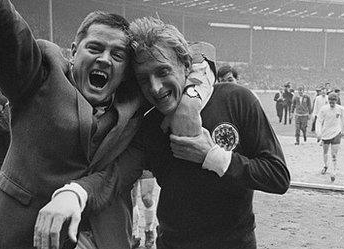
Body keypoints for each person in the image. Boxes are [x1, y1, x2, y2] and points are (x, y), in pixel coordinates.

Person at [40, 17, 290, 249]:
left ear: (186, 65)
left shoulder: (237, 100)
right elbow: (116, 175)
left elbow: (277, 176)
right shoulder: (148, 126)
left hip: (235, 243)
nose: (155, 88)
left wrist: (212, 156)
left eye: (163, 72)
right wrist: (74, 192)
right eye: (144, 78)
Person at [0, 0, 145, 248]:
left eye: (117, 55)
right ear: (73, 51)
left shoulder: (134, 107)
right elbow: (4, 31)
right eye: (95, 48)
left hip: (102, 239)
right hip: (24, 235)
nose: (105, 59)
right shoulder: (41, 77)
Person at [316, 92, 344, 182]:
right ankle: (326, 166)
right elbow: (319, 121)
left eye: (334, 101)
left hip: (336, 133)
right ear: (328, 101)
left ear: (336, 101)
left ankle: (334, 170)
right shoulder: (324, 109)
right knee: (325, 151)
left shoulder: (341, 109)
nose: (332, 103)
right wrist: (319, 133)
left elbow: (343, 120)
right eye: (330, 101)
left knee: (334, 154)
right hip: (326, 133)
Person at [131, 171, 156, 249]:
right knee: (132, 200)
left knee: (147, 199)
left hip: (146, 167)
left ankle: (149, 230)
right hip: (133, 165)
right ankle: (134, 234)